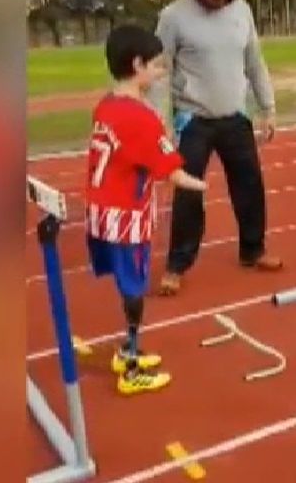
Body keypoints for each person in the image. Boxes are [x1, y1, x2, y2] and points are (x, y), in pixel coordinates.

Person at [151, 0, 284, 296]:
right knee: (188, 195)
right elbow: (159, 73)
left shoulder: (242, 10)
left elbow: (255, 61)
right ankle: (178, 263)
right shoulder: (173, 16)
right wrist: (161, 124)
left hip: (235, 116)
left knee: (250, 186)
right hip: (192, 119)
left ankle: (252, 250)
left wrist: (267, 107)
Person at [85, 24, 208, 395]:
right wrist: (198, 182)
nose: (160, 72)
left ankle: (128, 349)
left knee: (128, 284)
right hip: (125, 216)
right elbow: (172, 170)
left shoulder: (107, 105)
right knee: (134, 287)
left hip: (103, 210)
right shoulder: (140, 116)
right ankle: (131, 365)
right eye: (155, 66)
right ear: (137, 65)